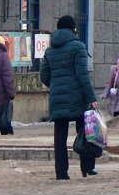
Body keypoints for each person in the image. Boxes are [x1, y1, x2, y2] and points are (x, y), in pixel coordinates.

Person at [41, 15, 99, 179]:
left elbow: (44, 75)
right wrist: (91, 98)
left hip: (57, 98)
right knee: (85, 131)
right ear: (73, 28)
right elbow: (83, 75)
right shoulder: (78, 47)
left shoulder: (50, 49)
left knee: (60, 136)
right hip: (77, 98)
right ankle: (86, 167)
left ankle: (61, 172)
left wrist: (55, 86)